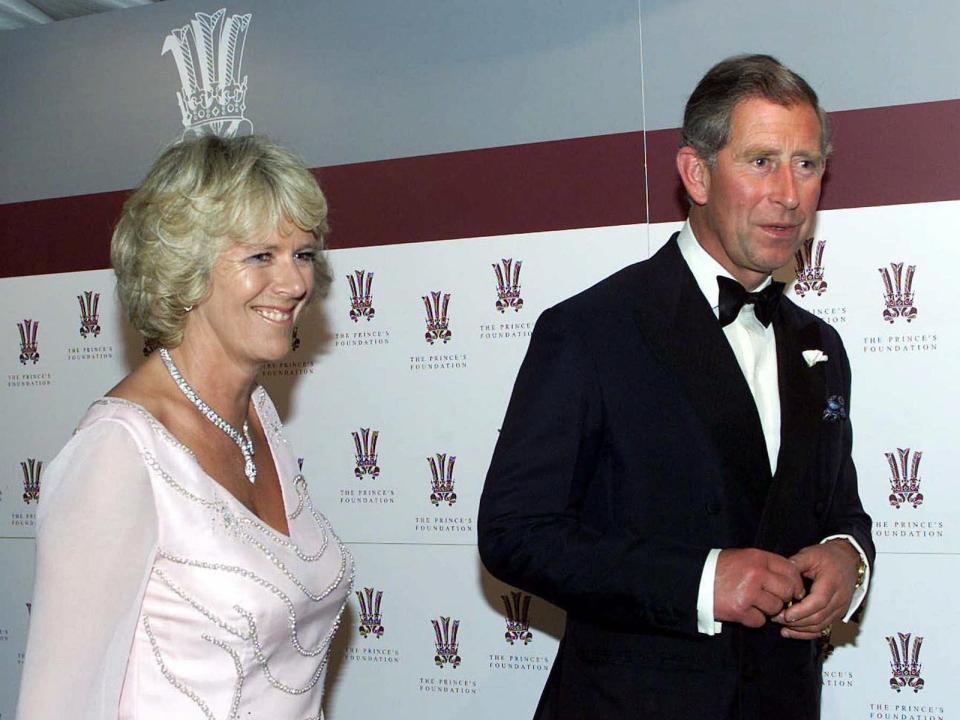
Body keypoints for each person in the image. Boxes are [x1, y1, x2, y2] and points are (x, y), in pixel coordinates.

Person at [478, 54, 874, 720]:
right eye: (760, 161)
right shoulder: (592, 330)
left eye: (806, 165)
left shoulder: (819, 347)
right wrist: (699, 581)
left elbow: (838, 510)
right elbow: (516, 533)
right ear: (695, 173)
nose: (789, 193)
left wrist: (848, 561)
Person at [17, 135, 353, 719]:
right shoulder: (118, 453)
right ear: (185, 269)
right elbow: (57, 706)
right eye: (260, 256)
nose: (295, 282)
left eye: (303, 254)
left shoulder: (257, 416)